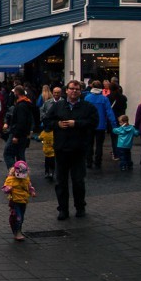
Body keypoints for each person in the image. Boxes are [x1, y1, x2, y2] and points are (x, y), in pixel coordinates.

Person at [44, 80, 98, 220]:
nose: (74, 91)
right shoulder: (58, 106)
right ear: (66, 90)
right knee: (61, 182)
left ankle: (80, 207)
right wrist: (57, 124)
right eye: (72, 89)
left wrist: (77, 123)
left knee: (78, 181)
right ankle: (63, 209)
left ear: (81, 91)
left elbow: (93, 122)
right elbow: (47, 121)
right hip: (61, 149)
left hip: (79, 149)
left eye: (77, 89)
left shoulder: (87, 107)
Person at [84, 80, 117, 169]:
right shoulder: (104, 99)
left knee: (89, 144)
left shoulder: (87, 98)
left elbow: (84, 112)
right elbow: (109, 112)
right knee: (99, 145)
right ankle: (98, 162)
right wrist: (114, 124)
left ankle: (89, 162)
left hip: (89, 124)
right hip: (101, 125)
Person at [1, 160, 36, 241]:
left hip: (23, 201)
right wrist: (8, 189)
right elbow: (4, 189)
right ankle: (17, 233)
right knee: (18, 217)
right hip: (14, 201)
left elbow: (29, 186)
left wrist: (32, 192)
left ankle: (18, 230)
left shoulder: (26, 179)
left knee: (21, 217)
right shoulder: (10, 179)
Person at [3, 85, 35, 169]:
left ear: (17, 92)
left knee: (8, 153)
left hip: (17, 134)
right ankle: (21, 173)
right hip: (24, 134)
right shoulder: (26, 103)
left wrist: (16, 135)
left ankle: (14, 172)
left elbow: (21, 122)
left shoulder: (21, 105)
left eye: (14, 92)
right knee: (20, 154)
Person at [107, 83, 127, 161]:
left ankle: (116, 153)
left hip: (113, 119)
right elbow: (125, 107)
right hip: (121, 118)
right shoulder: (123, 97)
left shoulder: (108, 97)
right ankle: (122, 152)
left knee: (114, 137)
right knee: (121, 137)